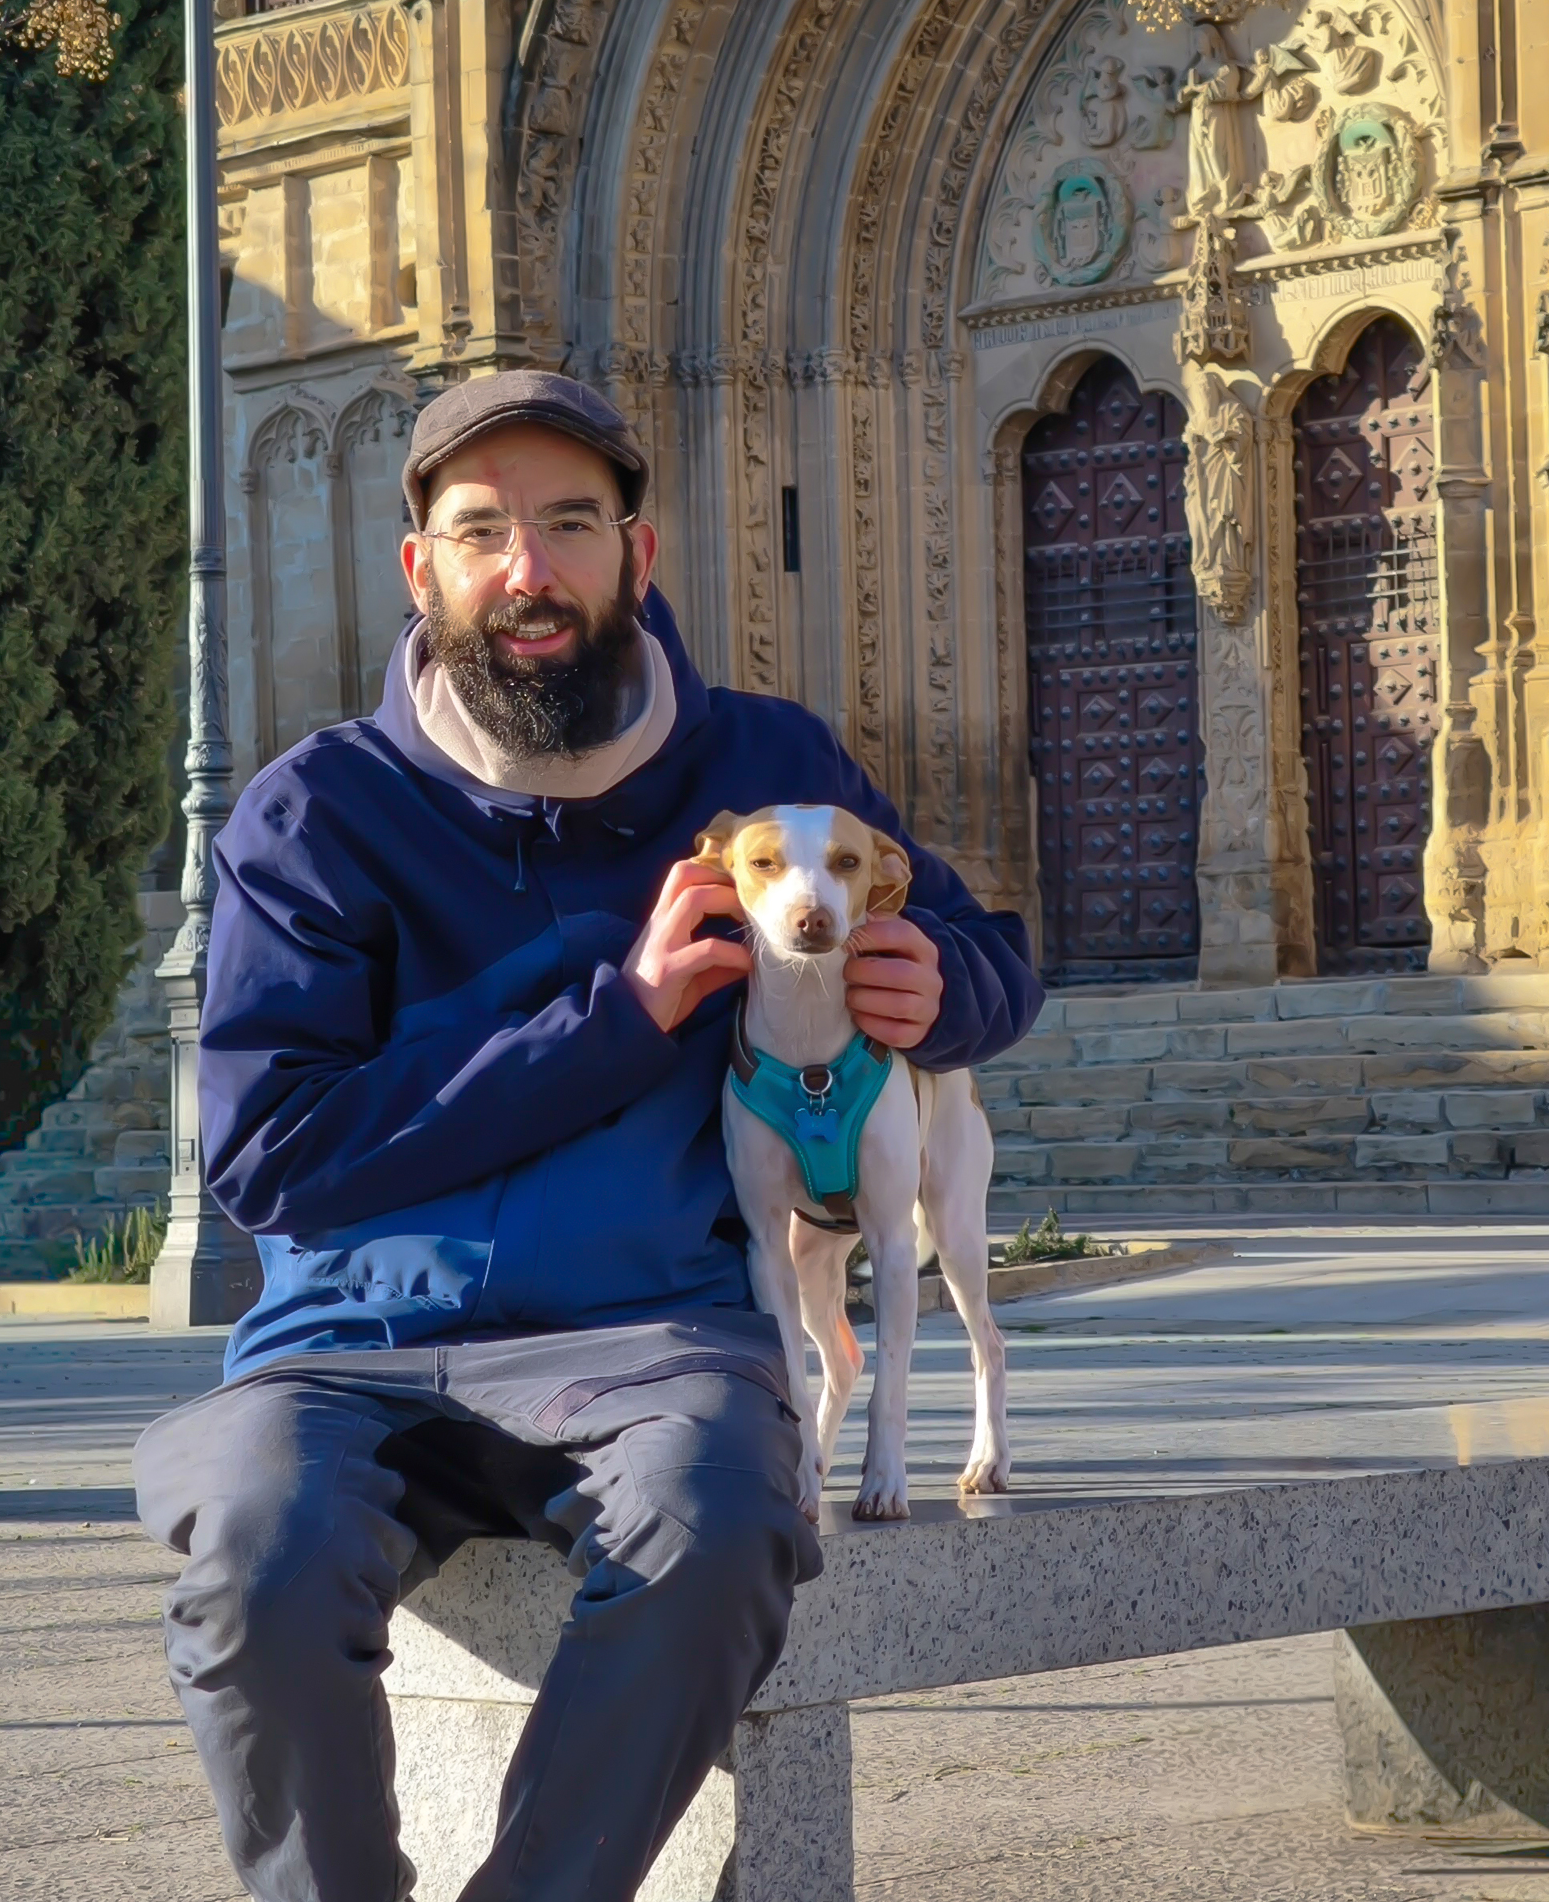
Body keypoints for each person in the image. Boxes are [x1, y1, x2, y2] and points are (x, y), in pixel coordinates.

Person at [132, 371, 1043, 1902]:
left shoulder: (767, 772)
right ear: (425, 572)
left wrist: (944, 989)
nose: (530, 571)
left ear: (641, 554)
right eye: (484, 531)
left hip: (656, 1339)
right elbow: (271, 1148)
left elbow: (987, 951)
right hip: (349, 1352)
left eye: (570, 524)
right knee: (251, 1549)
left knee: (721, 1517)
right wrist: (611, 1027)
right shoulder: (319, 814)